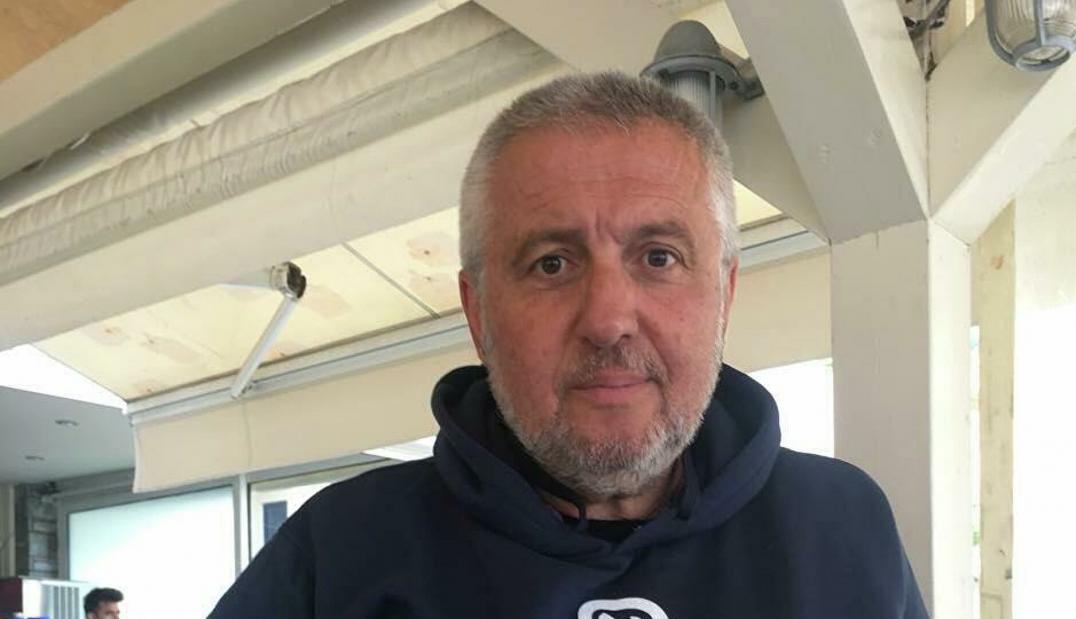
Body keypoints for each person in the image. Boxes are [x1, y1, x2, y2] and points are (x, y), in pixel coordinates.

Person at [208, 72, 928, 618]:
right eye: (552, 263)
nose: (608, 319)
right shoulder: (338, 554)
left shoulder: (842, 529)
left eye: (659, 257)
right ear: (478, 312)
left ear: (724, 294)